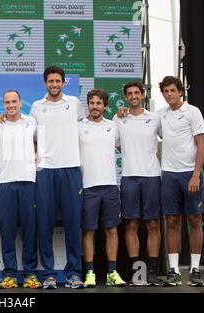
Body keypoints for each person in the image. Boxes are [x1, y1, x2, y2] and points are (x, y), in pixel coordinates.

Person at [30, 66, 86, 289]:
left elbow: (88, 125)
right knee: (45, 225)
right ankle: (49, 274)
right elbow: (29, 135)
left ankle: (73, 272)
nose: (54, 84)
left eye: (58, 81)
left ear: (64, 83)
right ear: (45, 83)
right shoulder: (36, 107)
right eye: (50, 81)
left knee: (73, 224)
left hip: (71, 169)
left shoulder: (74, 104)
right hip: (45, 171)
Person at [157, 76, 204, 287]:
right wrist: (122, 112)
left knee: (194, 221)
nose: (169, 95)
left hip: (190, 174)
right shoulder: (161, 115)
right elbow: (140, 119)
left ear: (180, 92)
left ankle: (195, 270)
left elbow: (201, 146)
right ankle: (174, 270)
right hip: (168, 174)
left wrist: (196, 174)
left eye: (172, 91)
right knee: (172, 222)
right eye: (166, 91)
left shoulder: (193, 112)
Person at [113, 81, 162, 286]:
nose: (133, 96)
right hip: (129, 176)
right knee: (131, 224)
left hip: (151, 176)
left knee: (153, 224)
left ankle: (151, 272)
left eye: (136, 93)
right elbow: (115, 144)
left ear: (142, 95)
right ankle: (137, 273)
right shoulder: (118, 118)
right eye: (129, 94)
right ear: (125, 97)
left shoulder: (154, 118)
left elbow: (170, 137)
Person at [0, 90, 42, 289]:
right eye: (7, 102)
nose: (11, 105)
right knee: (7, 231)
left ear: (21, 102)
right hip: (5, 183)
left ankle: (30, 273)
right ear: (3, 105)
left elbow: (41, 143)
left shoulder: (32, 122)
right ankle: (10, 274)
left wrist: (39, 156)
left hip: (29, 181)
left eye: (14, 101)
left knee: (30, 230)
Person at [79, 89, 126, 288]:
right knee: (88, 231)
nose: (95, 106)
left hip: (110, 186)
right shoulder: (79, 126)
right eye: (92, 103)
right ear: (88, 105)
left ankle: (111, 272)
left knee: (112, 230)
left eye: (99, 103)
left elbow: (125, 147)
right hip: (87, 186)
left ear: (105, 106)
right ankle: (90, 272)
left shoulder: (113, 126)